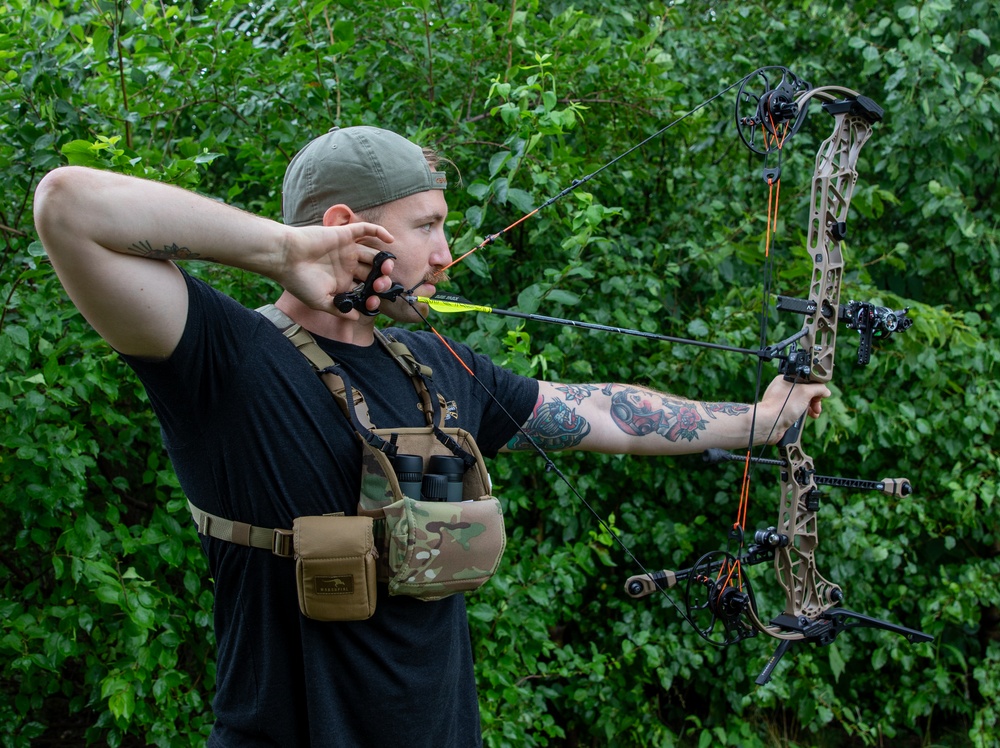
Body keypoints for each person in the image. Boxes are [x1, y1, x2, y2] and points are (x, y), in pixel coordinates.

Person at [33, 126, 829, 747]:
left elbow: (599, 412)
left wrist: (760, 421)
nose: (446, 256)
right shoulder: (221, 358)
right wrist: (285, 251)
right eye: (428, 227)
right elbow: (69, 205)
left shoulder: (435, 364)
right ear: (347, 228)